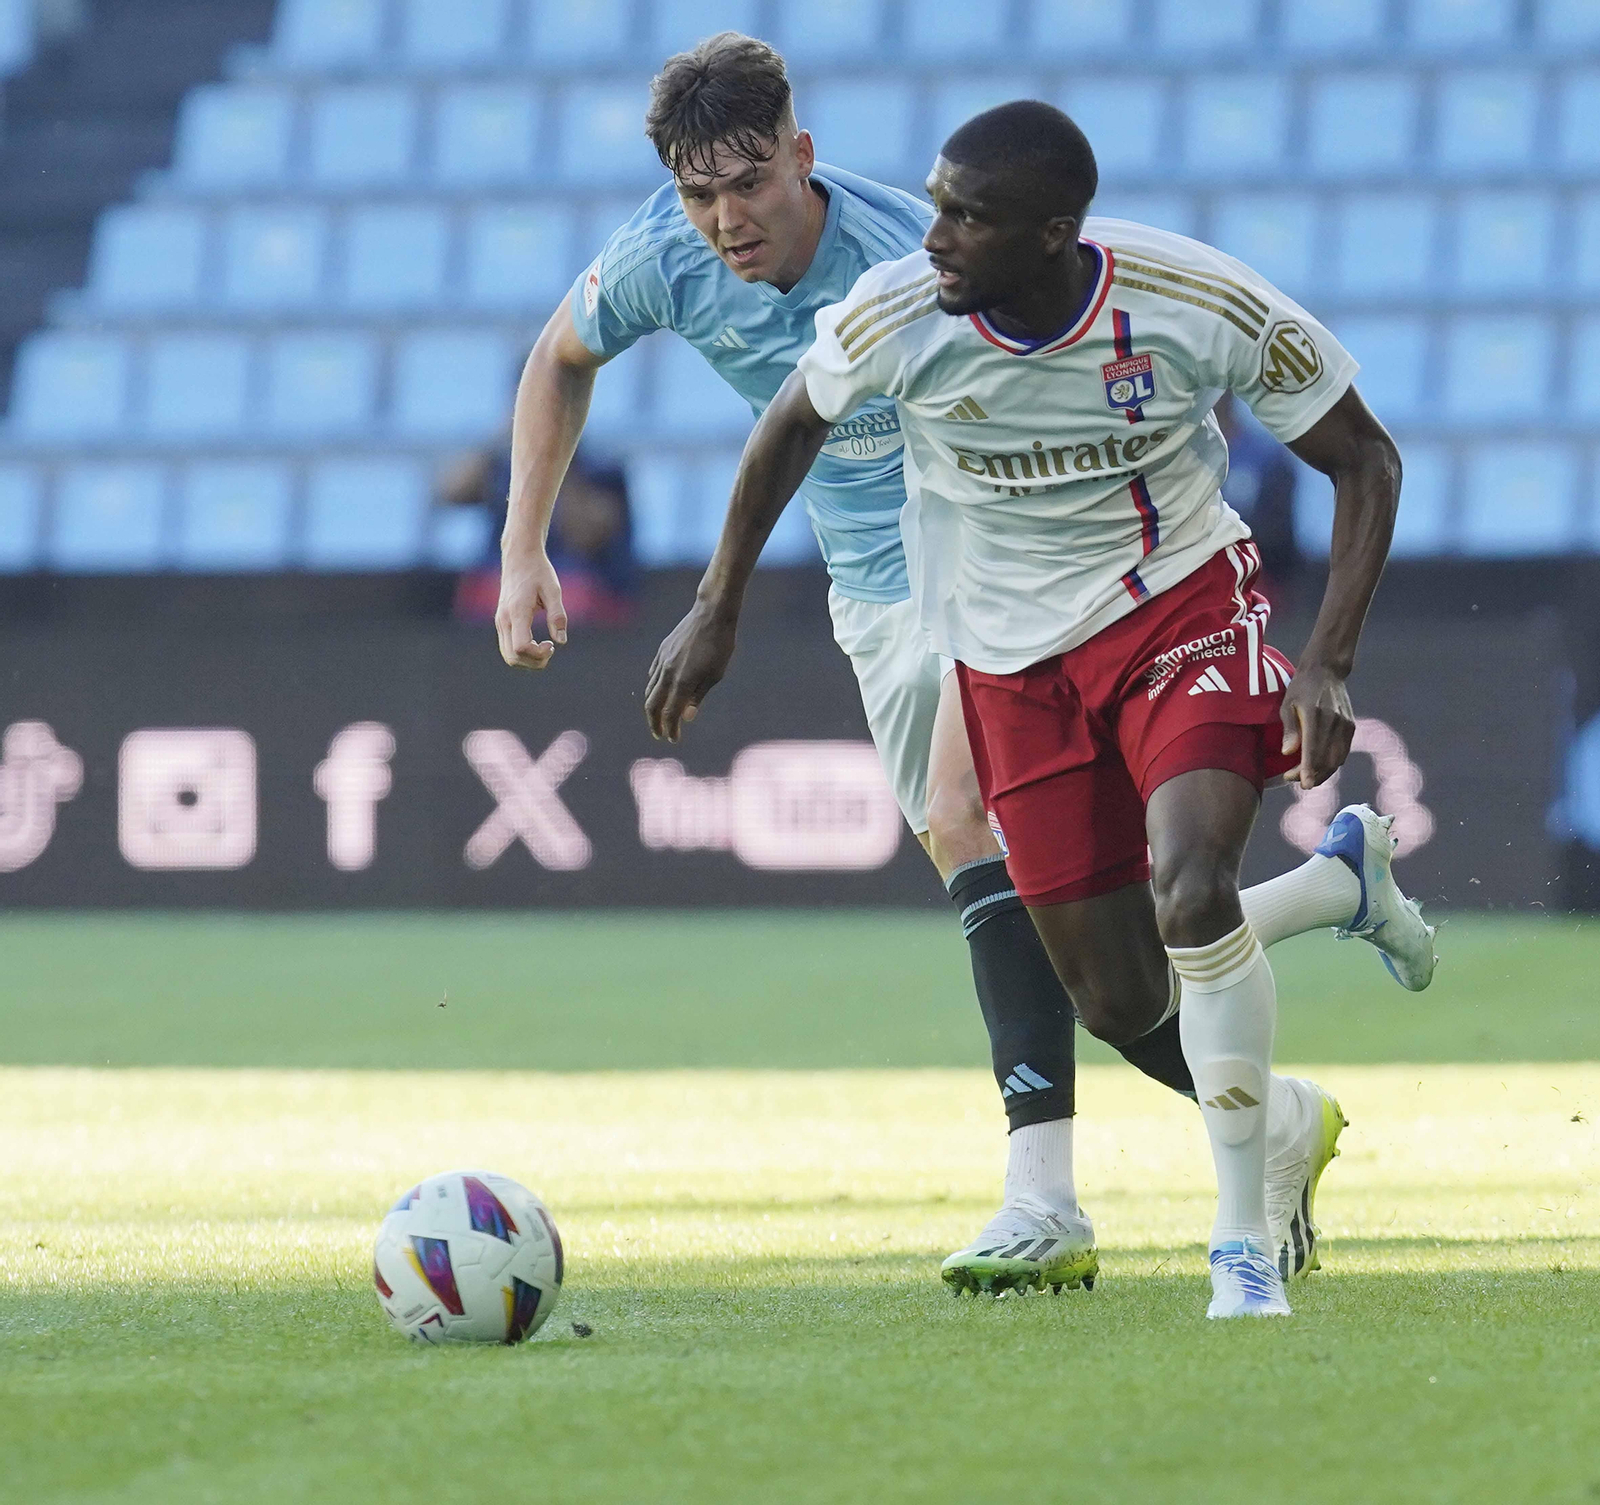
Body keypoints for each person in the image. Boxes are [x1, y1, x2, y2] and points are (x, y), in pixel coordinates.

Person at [499, 41, 1434, 1305]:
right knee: (1092, 950)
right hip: (875, 585)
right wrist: (527, 548)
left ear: (803, 157)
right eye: (698, 194)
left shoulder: (919, 256)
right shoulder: (667, 257)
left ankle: (1044, 1196)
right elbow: (572, 361)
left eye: (750, 183)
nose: (726, 219)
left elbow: (1175, 390)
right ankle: (1298, 1009)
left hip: (1000, 564)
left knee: (981, 822)